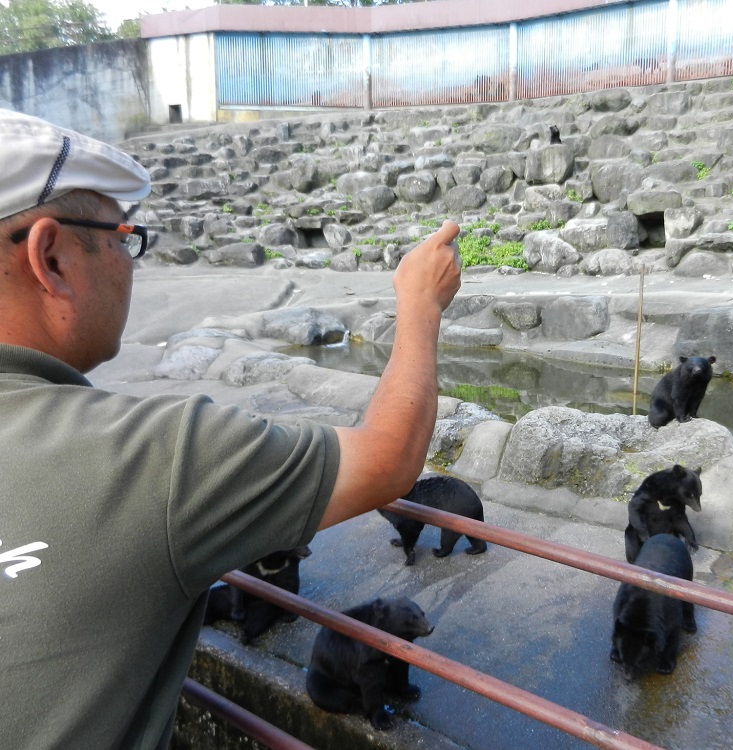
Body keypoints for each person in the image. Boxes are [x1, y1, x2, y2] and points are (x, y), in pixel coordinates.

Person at [0, 109, 462, 749]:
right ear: (50, 256)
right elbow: (387, 458)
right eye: (126, 237)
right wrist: (418, 307)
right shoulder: (153, 457)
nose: (132, 263)